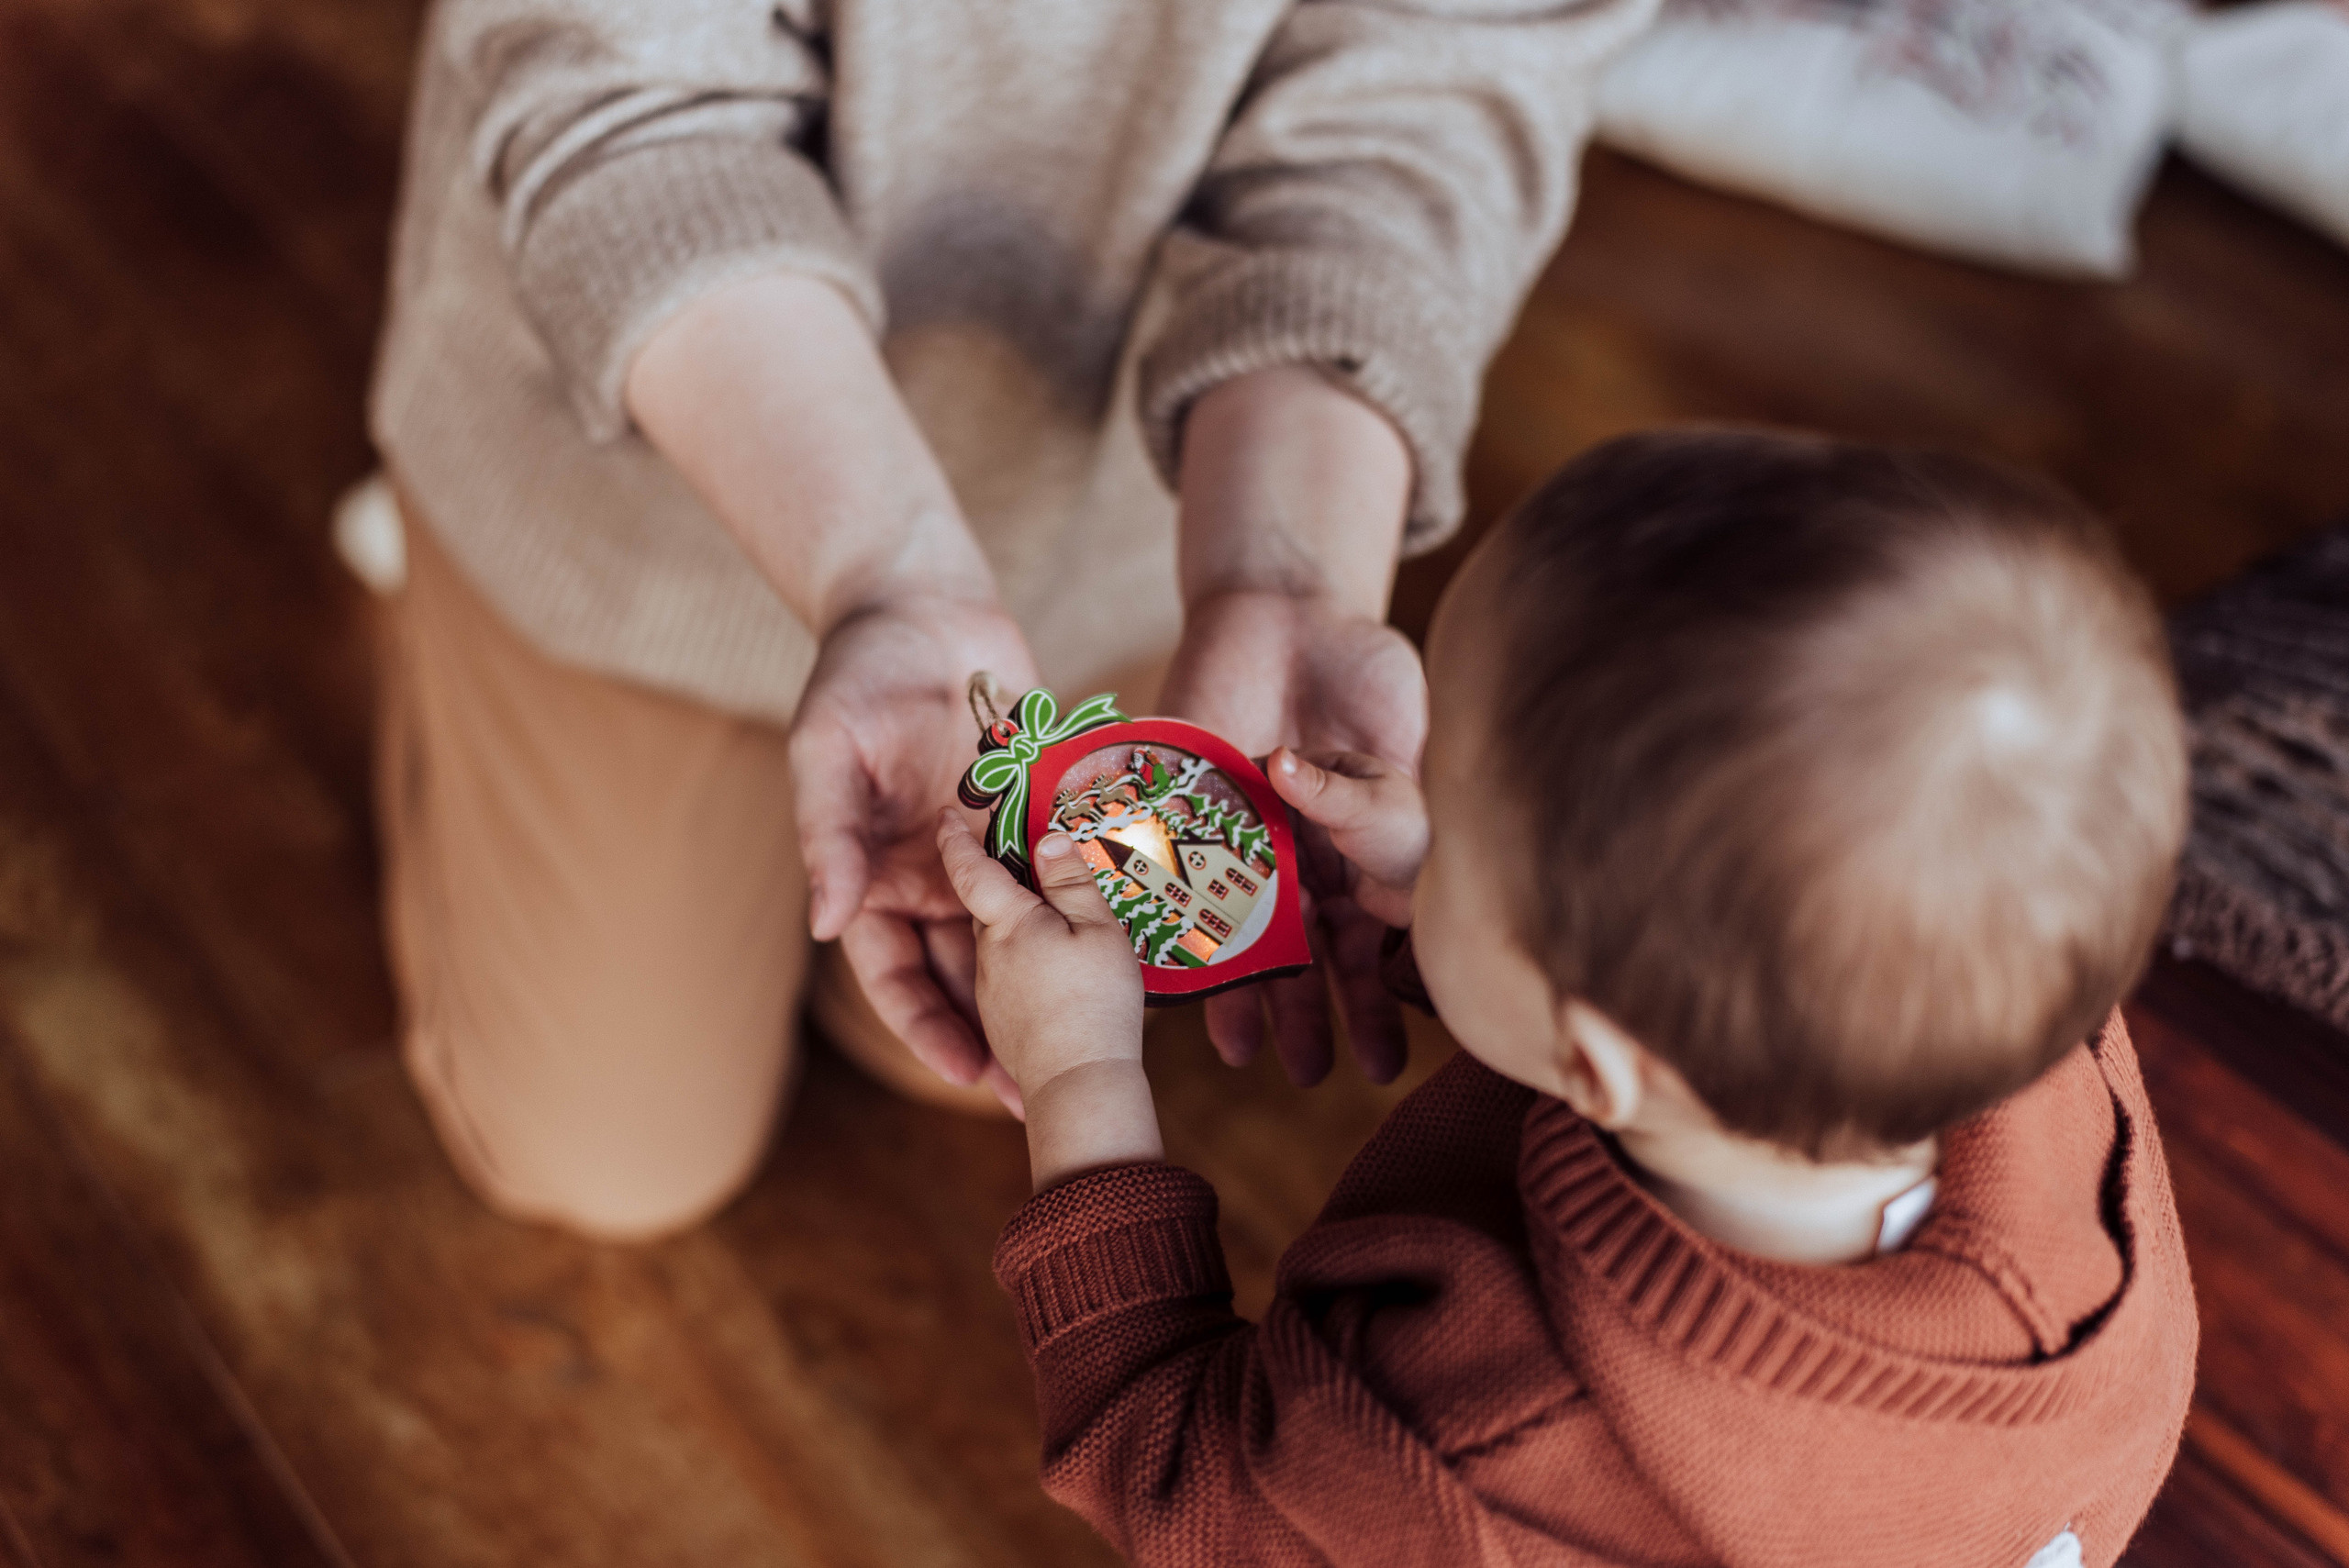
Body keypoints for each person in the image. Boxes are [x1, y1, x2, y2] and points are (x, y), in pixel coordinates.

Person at [363, 0, 1661, 1237]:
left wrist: (1284, 575)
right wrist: (884, 566)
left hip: (1130, 513)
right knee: (609, 1163)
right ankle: (422, 587)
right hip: (640, 488)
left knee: (963, 1044)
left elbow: (1427, 106)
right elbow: (625, 105)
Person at [942, 430, 2199, 1567]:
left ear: (1592, 1056)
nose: (1420, 794)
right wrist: (1472, 900)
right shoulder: (2025, 1025)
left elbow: (1176, 1472)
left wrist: (1080, 1074)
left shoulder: (1469, 1438)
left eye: (1462, 818)